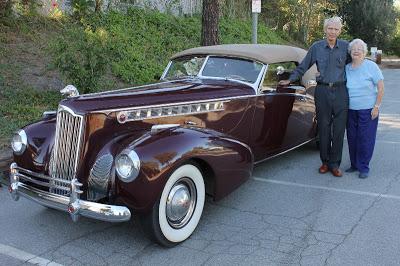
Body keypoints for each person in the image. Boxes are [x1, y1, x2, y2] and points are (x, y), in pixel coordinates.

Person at [279, 16, 350, 177]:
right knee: (324, 128)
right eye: (330, 28)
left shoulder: (346, 47)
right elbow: (303, 66)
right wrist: (290, 79)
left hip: (341, 92)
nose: (332, 32)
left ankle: (335, 164)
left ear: (340, 31)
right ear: (325, 30)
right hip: (322, 91)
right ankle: (325, 162)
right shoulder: (316, 47)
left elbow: (358, 63)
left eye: (336, 29)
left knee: (339, 130)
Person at [345, 39, 384, 179]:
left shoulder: (371, 66)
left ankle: (364, 167)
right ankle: (354, 164)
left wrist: (377, 106)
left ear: (364, 52)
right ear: (350, 52)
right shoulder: (347, 67)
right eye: (354, 49)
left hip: (368, 109)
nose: (356, 51)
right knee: (352, 137)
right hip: (350, 110)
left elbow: (380, 88)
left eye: (359, 49)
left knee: (365, 138)